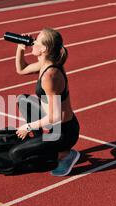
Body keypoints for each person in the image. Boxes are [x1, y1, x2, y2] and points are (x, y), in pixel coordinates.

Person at [9, 28, 80, 176]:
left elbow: (55, 117)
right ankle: (43, 144)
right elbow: (21, 69)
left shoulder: (50, 75)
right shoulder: (44, 64)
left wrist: (28, 127)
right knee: (23, 100)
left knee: (16, 154)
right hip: (53, 124)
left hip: (63, 132)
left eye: (36, 41)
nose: (32, 42)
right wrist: (20, 48)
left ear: (44, 49)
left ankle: (64, 155)